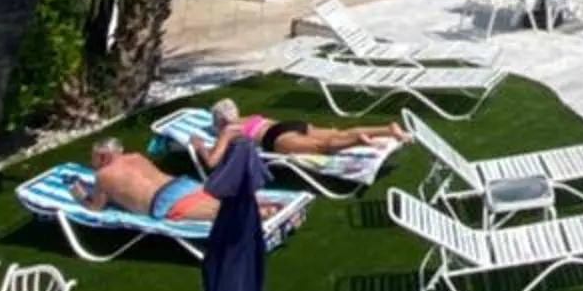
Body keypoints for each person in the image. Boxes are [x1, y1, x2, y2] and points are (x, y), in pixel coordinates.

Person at [197, 98, 402, 166]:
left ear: (221, 121)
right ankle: (387, 129)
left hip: (276, 138)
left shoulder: (230, 129)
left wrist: (199, 147)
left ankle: (358, 141)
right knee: (339, 132)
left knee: (321, 147)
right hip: (290, 124)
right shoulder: (250, 117)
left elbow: (212, 161)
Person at [81, 137, 216, 223]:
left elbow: (95, 208)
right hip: (183, 183)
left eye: (93, 157)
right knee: (222, 207)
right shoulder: (136, 156)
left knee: (218, 215)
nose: (91, 161)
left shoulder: (103, 175)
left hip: (163, 200)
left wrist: (81, 195)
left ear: (103, 157)